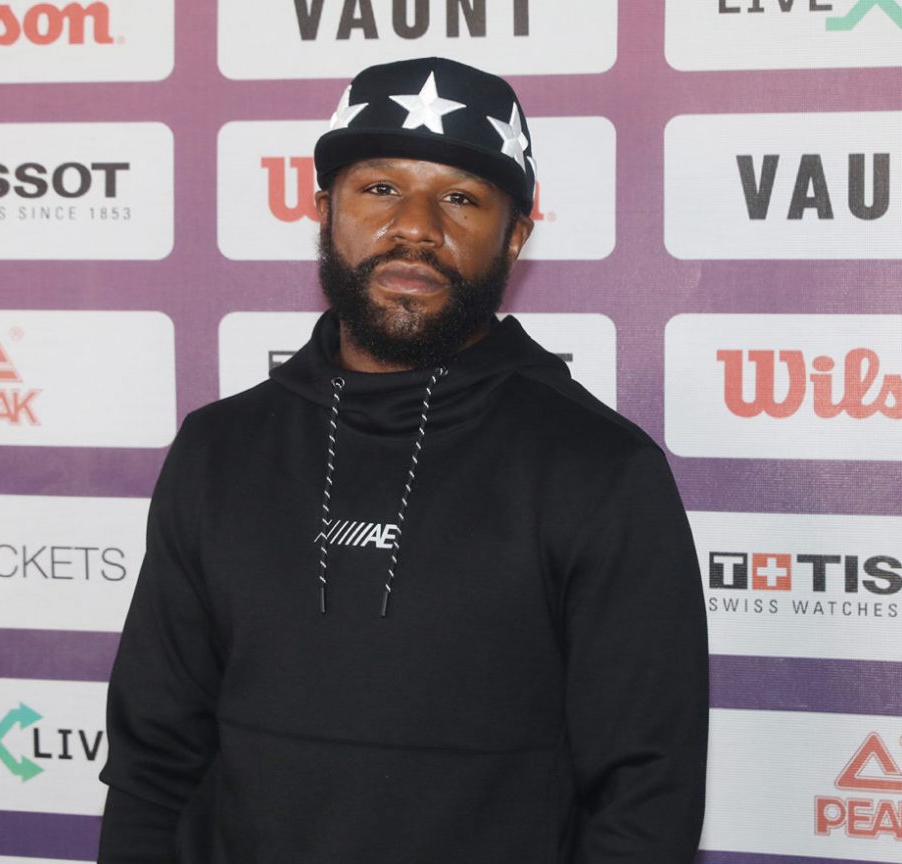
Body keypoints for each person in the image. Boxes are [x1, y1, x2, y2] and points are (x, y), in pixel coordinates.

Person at [97, 56, 709, 864]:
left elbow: (647, 801)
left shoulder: (600, 470)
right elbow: (152, 763)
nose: (415, 226)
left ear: (516, 235)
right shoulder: (219, 450)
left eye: (461, 198)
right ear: (324, 211)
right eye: (380, 188)